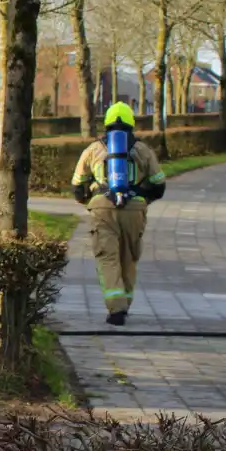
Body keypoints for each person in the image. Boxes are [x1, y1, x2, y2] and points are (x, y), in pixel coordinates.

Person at [70, 102, 166, 326]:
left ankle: (116, 309)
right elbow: (159, 185)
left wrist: (91, 201)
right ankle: (126, 304)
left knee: (107, 257)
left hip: (102, 209)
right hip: (135, 210)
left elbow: (77, 186)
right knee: (129, 258)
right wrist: (142, 200)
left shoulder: (93, 150)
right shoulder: (143, 150)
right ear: (132, 125)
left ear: (106, 125)